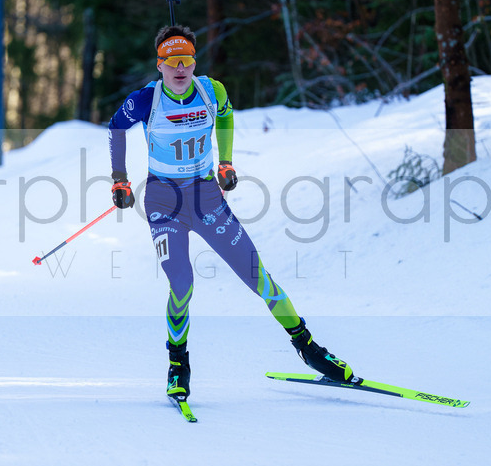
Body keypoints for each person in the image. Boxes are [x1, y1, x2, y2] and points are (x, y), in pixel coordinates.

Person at [107, 24, 354, 402]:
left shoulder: (212, 90)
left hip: (207, 198)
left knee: (258, 276)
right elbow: (116, 127)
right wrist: (119, 180)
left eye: (186, 59)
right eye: (171, 61)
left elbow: (225, 115)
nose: (179, 67)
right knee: (182, 283)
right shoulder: (145, 100)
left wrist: (226, 161)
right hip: (164, 202)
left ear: (194, 62)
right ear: (159, 65)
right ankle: (178, 364)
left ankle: (309, 348)